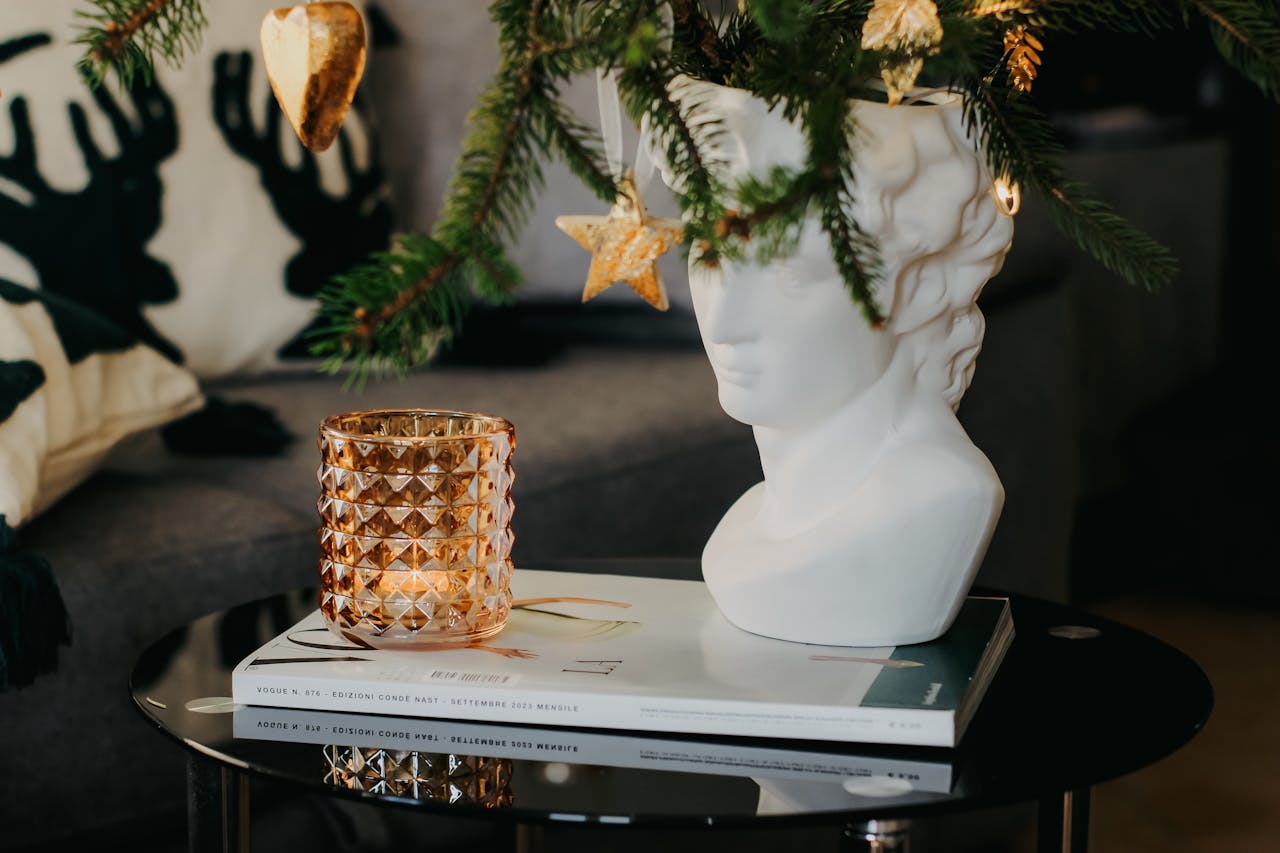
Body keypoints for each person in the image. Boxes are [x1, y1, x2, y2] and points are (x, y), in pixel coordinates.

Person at [658, 79, 1016, 646]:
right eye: (711, 257)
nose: (724, 323)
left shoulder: (940, 497)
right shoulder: (755, 523)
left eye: (791, 275)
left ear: (916, 285)